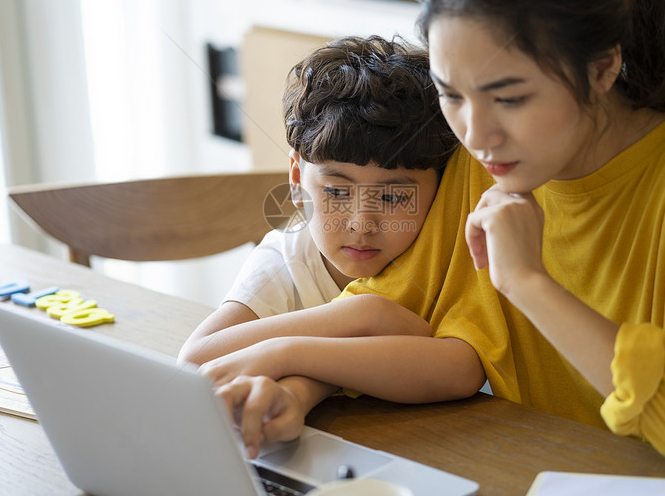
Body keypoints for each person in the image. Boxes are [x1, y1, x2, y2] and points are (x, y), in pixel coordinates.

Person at [214, 0, 665, 477]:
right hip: (521, 468)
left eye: (510, 97)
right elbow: (379, 321)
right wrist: (296, 391)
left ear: (603, 67)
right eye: (451, 94)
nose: (477, 133)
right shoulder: (483, 161)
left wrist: (529, 283)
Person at [178, 35, 469, 407]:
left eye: (394, 197)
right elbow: (194, 362)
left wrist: (296, 358)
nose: (362, 224)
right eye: (337, 192)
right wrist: (360, 317)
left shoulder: (444, 253)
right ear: (298, 180)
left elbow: (461, 371)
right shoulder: (286, 262)